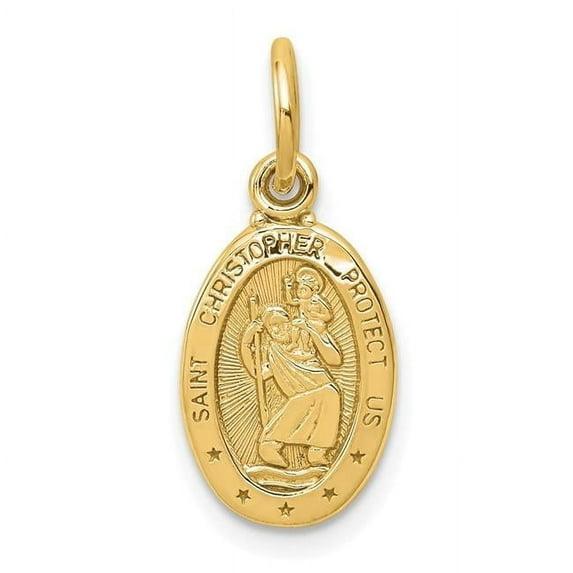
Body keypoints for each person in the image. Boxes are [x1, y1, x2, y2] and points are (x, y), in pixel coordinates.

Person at [241, 305, 342, 468]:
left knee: (330, 393)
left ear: (290, 322)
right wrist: (246, 342)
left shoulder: (305, 336)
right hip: (300, 399)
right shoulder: (273, 351)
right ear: (268, 330)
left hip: (323, 389)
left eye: (282, 323)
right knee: (298, 406)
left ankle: (317, 450)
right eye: (273, 326)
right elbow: (258, 374)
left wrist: (311, 330)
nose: (279, 329)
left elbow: (334, 359)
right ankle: (270, 444)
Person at [284, 266, 333, 353]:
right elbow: (290, 301)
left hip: (315, 323)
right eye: (299, 289)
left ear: (313, 291)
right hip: (304, 321)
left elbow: (328, 316)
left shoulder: (317, 301)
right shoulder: (301, 301)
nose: (300, 291)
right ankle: (294, 343)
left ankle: (305, 345)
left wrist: (317, 315)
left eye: (304, 290)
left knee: (304, 330)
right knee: (295, 326)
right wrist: (288, 289)